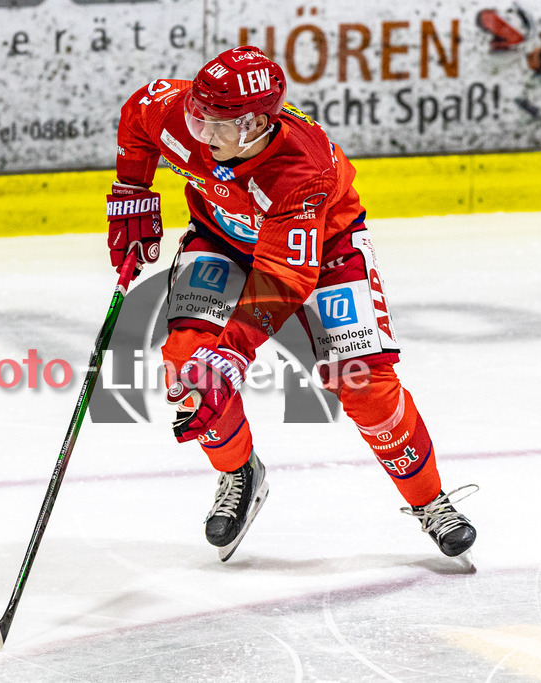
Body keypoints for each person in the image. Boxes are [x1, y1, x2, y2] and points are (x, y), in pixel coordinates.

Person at [105, 46, 477, 562]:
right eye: (198, 116)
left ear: (256, 123)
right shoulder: (187, 118)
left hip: (325, 252)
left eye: (218, 125)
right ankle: (239, 472)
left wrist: (231, 352)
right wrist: (133, 190)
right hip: (222, 240)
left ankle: (432, 502)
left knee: (364, 383)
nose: (202, 135)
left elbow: (282, 278)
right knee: (185, 367)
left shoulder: (303, 171)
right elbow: (139, 112)